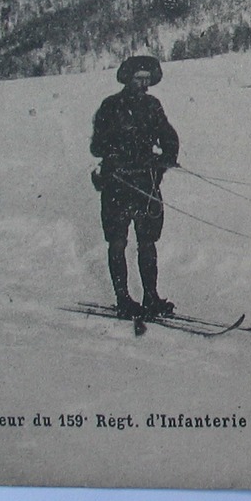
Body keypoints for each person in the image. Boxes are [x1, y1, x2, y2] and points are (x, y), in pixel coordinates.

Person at [90, 55, 180, 318]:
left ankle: (151, 297)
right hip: (116, 185)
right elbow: (96, 146)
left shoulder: (153, 106)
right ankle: (124, 299)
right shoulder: (110, 106)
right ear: (127, 79)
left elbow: (168, 136)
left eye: (146, 80)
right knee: (117, 242)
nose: (143, 84)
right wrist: (117, 154)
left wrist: (167, 157)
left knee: (148, 241)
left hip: (146, 183)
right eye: (138, 79)